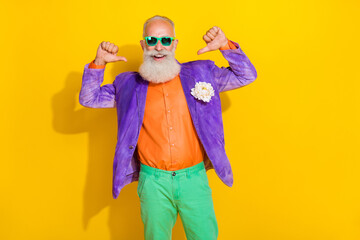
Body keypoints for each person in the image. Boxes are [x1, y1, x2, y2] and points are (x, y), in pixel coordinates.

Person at [79, 15, 257, 240]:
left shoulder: (202, 73)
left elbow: (246, 75)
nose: (159, 46)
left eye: (165, 40)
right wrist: (99, 63)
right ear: (143, 45)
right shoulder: (127, 84)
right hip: (153, 183)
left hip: (194, 178)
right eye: (152, 40)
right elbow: (89, 98)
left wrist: (225, 45)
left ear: (174, 43)